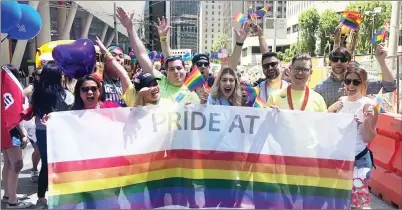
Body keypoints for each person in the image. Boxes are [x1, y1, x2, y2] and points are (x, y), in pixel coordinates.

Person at [116, 7, 200, 106]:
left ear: (185, 70)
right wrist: (130, 29)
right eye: (172, 69)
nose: (176, 72)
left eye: (179, 68)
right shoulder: (160, 83)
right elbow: (142, 55)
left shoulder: (193, 95)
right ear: (166, 72)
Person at [328, 66, 378, 209]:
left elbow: (368, 138)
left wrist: (365, 121)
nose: (351, 85)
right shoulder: (341, 101)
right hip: (339, 160)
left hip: (358, 161)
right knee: (338, 202)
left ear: (363, 84)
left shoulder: (368, 105)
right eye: (347, 81)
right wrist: (331, 110)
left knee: (357, 205)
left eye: (356, 82)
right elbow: (327, 124)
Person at [30, 63, 74, 208]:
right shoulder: (65, 94)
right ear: (58, 77)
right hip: (60, 131)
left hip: (41, 131)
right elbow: (70, 108)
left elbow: (32, 107)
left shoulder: (36, 93)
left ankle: (41, 198)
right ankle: (61, 194)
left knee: (46, 163)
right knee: (60, 162)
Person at [314, 44, 396, 107]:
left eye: (343, 59)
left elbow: (389, 86)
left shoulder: (360, 81)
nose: (339, 62)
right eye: (335, 59)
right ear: (330, 62)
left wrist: (381, 61)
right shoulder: (320, 88)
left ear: (348, 61)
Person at [1, 65, 32, 208]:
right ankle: (13, 201)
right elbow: (16, 115)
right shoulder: (12, 92)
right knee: (17, 164)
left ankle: (9, 194)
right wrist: (23, 133)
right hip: (13, 131)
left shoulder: (5, 91)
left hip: (6, 131)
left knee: (8, 163)